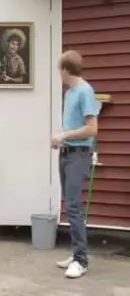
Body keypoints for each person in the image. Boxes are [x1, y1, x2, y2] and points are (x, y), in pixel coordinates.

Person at [51, 50, 98, 279]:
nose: (58, 73)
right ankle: (76, 253)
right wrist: (61, 138)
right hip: (66, 152)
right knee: (70, 205)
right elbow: (73, 126)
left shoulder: (85, 91)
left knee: (74, 206)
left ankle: (81, 260)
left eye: (59, 68)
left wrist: (65, 135)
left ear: (66, 70)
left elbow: (92, 129)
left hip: (79, 154)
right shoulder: (69, 93)